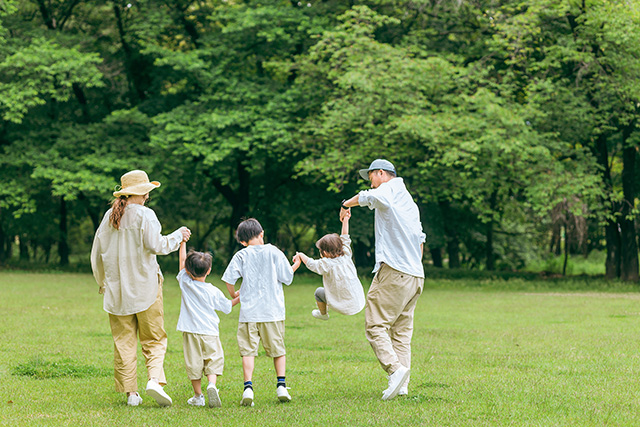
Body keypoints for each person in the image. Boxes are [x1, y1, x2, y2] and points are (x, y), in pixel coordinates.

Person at [91, 170, 191, 407]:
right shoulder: (146, 215)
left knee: (123, 341)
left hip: (116, 292)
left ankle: (131, 394)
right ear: (144, 192)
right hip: (146, 288)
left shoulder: (109, 217)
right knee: (154, 338)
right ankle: (154, 380)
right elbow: (157, 245)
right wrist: (178, 235)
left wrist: (102, 282)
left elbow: (96, 254)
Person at [341, 159, 426, 401]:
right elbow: (420, 240)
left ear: (380, 173)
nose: (370, 182)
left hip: (395, 272)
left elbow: (370, 197)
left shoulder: (389, 189)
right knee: (401, 332)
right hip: (415, 276)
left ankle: (395, 370)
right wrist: (412, 265)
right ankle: (403, 385)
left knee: (375, 324)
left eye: (371, 177)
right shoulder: (409, 202)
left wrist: (345, 204)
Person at [221, 218, 300, 406]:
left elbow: (229, 279)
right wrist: (296, 263)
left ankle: (248, 388)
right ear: (261, 233)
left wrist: (234, 294)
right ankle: (281, 385)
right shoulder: (274, 252)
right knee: (278, 350)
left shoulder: (241, 255)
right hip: (273, 312)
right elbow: (287, 277)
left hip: (249, 313)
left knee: (248, 352)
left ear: (242, 241)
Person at [176, 242, 240, 408]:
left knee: (194, 364)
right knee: (213, 360)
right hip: (210, 331)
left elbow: (182, 261)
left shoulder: (185, 282)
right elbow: (227, 306)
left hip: (190, 331)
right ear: (209, 270)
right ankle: (212, 385)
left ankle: (198, 396)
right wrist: (240, 297)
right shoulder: (213, 290)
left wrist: (183, 243)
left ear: (187, 271)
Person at [292, 208, 365, 320]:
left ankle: (323, 314)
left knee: (318, 293)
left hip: (341, 305)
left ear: (324, 252)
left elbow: (312, 264)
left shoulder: (326, 264)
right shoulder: (346, 254)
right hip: (358, 302)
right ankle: (325, 311)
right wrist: (346, 220)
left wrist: (301, 255)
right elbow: (345, 237)